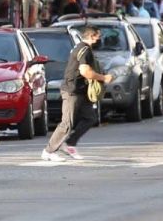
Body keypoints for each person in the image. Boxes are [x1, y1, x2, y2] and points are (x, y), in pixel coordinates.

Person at [42, 23, 112, 162]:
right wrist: (103, 78)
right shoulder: (84, 49)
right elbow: (85, 71)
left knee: (90, 118)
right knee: (67, 123)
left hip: (82, 91)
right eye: (98, 37)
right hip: (72, 90)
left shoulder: (84, 48)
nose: (100, 40)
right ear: (92, 36)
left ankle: (69, 144)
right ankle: (49, 151)